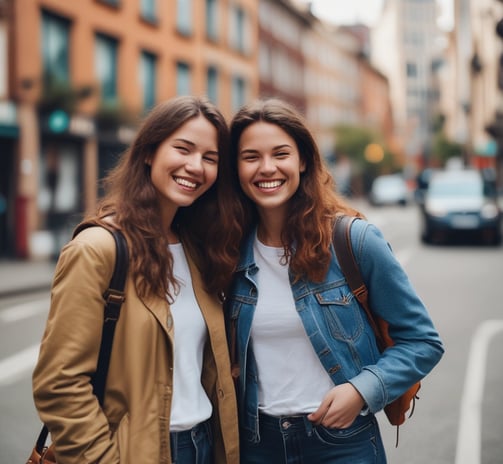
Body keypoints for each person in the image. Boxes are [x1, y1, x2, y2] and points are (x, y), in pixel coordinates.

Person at [223, 98, 444, 463]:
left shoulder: (353, 240)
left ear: (303, 160)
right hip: (256, 446)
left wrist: (361, 390)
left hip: (342, 444)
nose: (267, 168)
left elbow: (422, 341)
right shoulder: (227, 253)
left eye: (281, 154)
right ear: (236, 167)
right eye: (251, 157)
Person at [32, 96, 239, 464]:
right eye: (183, 149)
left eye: (210, 158)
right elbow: (59, 384)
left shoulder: (198, 248)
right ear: (148, 152)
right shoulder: (98, 249)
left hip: (204, 446)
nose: (196, 166)